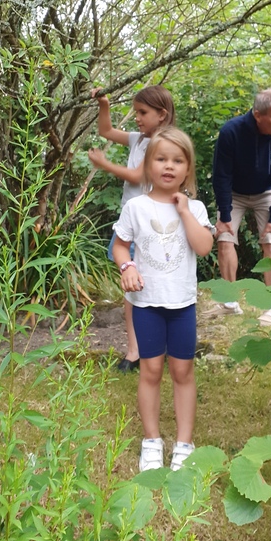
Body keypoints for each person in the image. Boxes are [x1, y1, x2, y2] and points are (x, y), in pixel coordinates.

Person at [112, 128, 214, 471]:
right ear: (147, 164)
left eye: (177, 160)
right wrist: (126, 266)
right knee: (151, 370)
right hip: (146, 304)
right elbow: (120, 244)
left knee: (182, 371)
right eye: (160, 159)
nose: (168, 166)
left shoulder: (196, 209)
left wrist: (184, 212)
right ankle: (151, 441)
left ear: (188, 168)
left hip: (182, 305)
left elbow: (203, 247)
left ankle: (184, 444)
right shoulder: (136, 207)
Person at [88, 86, 176, 372]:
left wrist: (105, 164)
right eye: (136, 112)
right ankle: (142, 349)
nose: (137, 118)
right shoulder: (139, 139)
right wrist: (104, 104)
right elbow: (106, 131)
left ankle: (139, 351)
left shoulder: (160, 143)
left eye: (143, 113)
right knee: (134, 289)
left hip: (148, 225)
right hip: (131, 221)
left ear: (162, 115)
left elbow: (138, 176)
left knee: (139, 289)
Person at [212, 88, 271, 325]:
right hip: (234, 192)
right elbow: (221, 175)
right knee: (224, 237)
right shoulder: (231, 132)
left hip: (266, 191)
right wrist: (225, 215)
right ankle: (230, 303)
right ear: (258, 114)